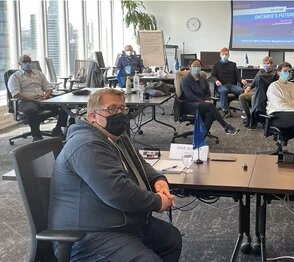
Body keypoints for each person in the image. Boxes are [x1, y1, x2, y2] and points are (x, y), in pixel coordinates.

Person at [48, 89, 182, 261]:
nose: (119, 114)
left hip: (118, 221)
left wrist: (158, 180)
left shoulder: (116, 137)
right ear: (92, 116)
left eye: (122, 109)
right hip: (88, 234)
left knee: (170, 239)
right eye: (111, 109)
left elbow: (140, 163)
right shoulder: (87, 144)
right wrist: (157, 202)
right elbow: (118, 192)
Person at [7, 55, 68, 141]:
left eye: (29, 61)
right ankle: (37, 136)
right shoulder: (15, 77)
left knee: (64, 106)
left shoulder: (38, 74)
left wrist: (45, 96)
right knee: (31, 111)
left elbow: (48, 87)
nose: (27, 64)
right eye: (24, 62)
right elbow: (16, 94)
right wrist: (35, 100)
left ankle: (57, 129)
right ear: (20, 64)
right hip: (26, 101)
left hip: (42, 99)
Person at [180, 59, 239, 135]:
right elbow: (189, 96)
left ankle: (201, 137)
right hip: (190, 105)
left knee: (210, 114)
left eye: (198, 66)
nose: (196, 68)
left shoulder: (203, 79)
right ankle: (226, 126)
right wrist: (203, 102)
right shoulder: (185, 81)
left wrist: (207, 99)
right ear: (190, 67)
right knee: (211, 106)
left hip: (203, 104)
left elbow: (208, 93)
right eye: (194, 66)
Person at [239, 56, 277, 128]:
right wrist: (249, 87)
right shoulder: (260, 72)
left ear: (272, 64)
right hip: (257, 92)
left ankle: (256, 118)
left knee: (254, 98)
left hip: (268, 94)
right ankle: (249, 116)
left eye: (268, 63)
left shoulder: (275, 74)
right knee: (242, 97)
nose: (266, 65)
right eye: (264, 63)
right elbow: (254, 82)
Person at [211, 47, 246, 117]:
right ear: (220, 55)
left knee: (241, 90)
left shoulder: (233, 65)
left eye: (226, 54)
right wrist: (216, 81)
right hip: (221, 85)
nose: (225, 56)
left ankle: (244, 110)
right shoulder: (216, 65)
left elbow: (238, 75)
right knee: (224, 91)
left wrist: (242, 80)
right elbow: (213, 76)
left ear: (229, 55)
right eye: (223, 54)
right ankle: (224, 110)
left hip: (231, 85)